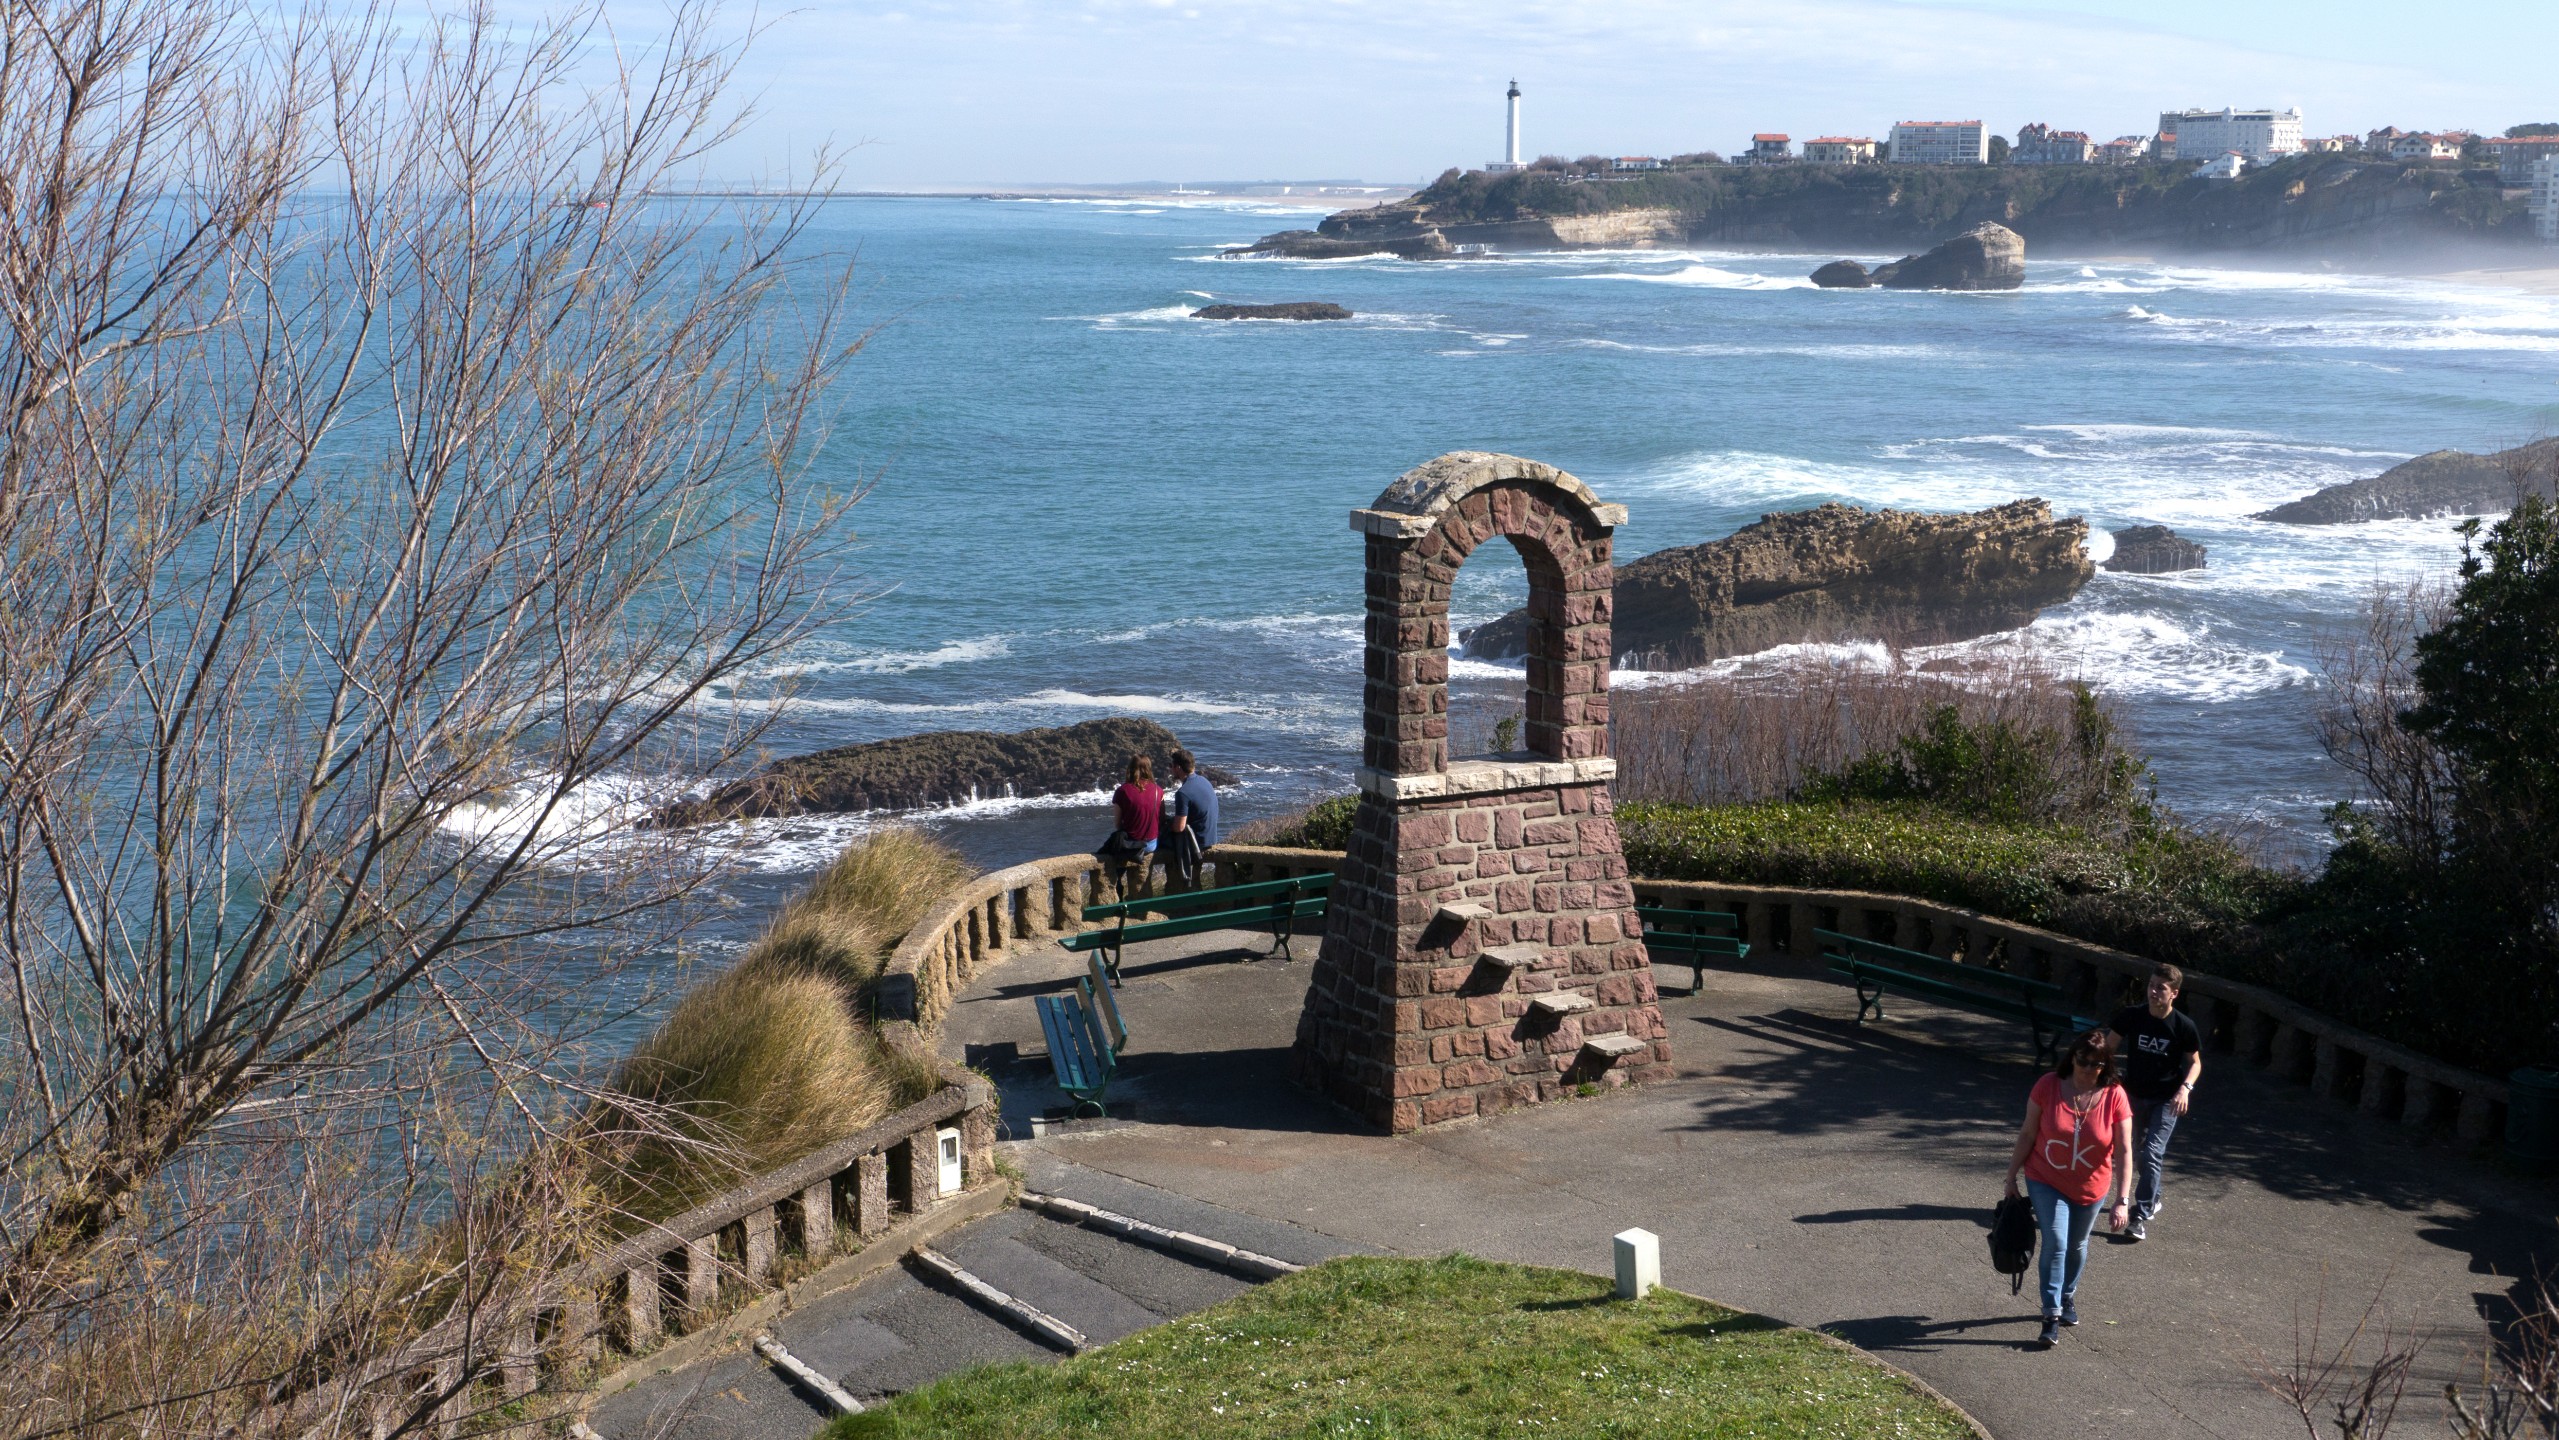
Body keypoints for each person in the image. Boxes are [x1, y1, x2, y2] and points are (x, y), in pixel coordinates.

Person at [2002, 1031, 2133, 1350]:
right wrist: (2011, 1177)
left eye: (2096, 1064)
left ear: (2105, 1065)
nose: (2088, 1069)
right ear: (2072, 1057)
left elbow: (2124, 1150)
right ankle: (2051, 1313)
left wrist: (2122, 1200)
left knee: (2077, 1245)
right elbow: (2028, 1133)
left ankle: (2067, 1295)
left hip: (2092, 1185)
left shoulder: (2115, 1095)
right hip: (2045, 1178)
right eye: (2082, 1061)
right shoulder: (2048, 1085)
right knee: (2057, 1241)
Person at [2108, 963, 2202, 1242]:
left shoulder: (2183, 1026)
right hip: (2132, 1096)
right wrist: (2107, 1078)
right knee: (2134, 1152)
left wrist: (2185, 1089)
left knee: (2151, 1153)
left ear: (2174, 993)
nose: (2153, 991)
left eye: (2160, 988)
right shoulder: (2132, 1016)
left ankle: (2140, 1214)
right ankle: (2154, 1195)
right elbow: (2108, 1047)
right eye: (2151, 985)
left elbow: (2195, 1063)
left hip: (2166, 1100)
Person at [1105, 754, 1162, 903]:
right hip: (1151, 844)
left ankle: (1117, 891)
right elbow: (1160, 818)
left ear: (1130, 768)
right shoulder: (1158, 790)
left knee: (1113, 848)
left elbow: (1117, 824)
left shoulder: (1123, 791)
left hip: (1132, 844)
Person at [1164, 749, 1219, 892]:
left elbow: (1179, 827)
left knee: (1160, 837)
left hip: (1198, 842)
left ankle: (1177, 887)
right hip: (1211, 837)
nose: (1170, 769)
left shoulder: (1183, 793)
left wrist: (1167, 824)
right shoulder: (1204, 781)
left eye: (1171, 766)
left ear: (1178, 767)